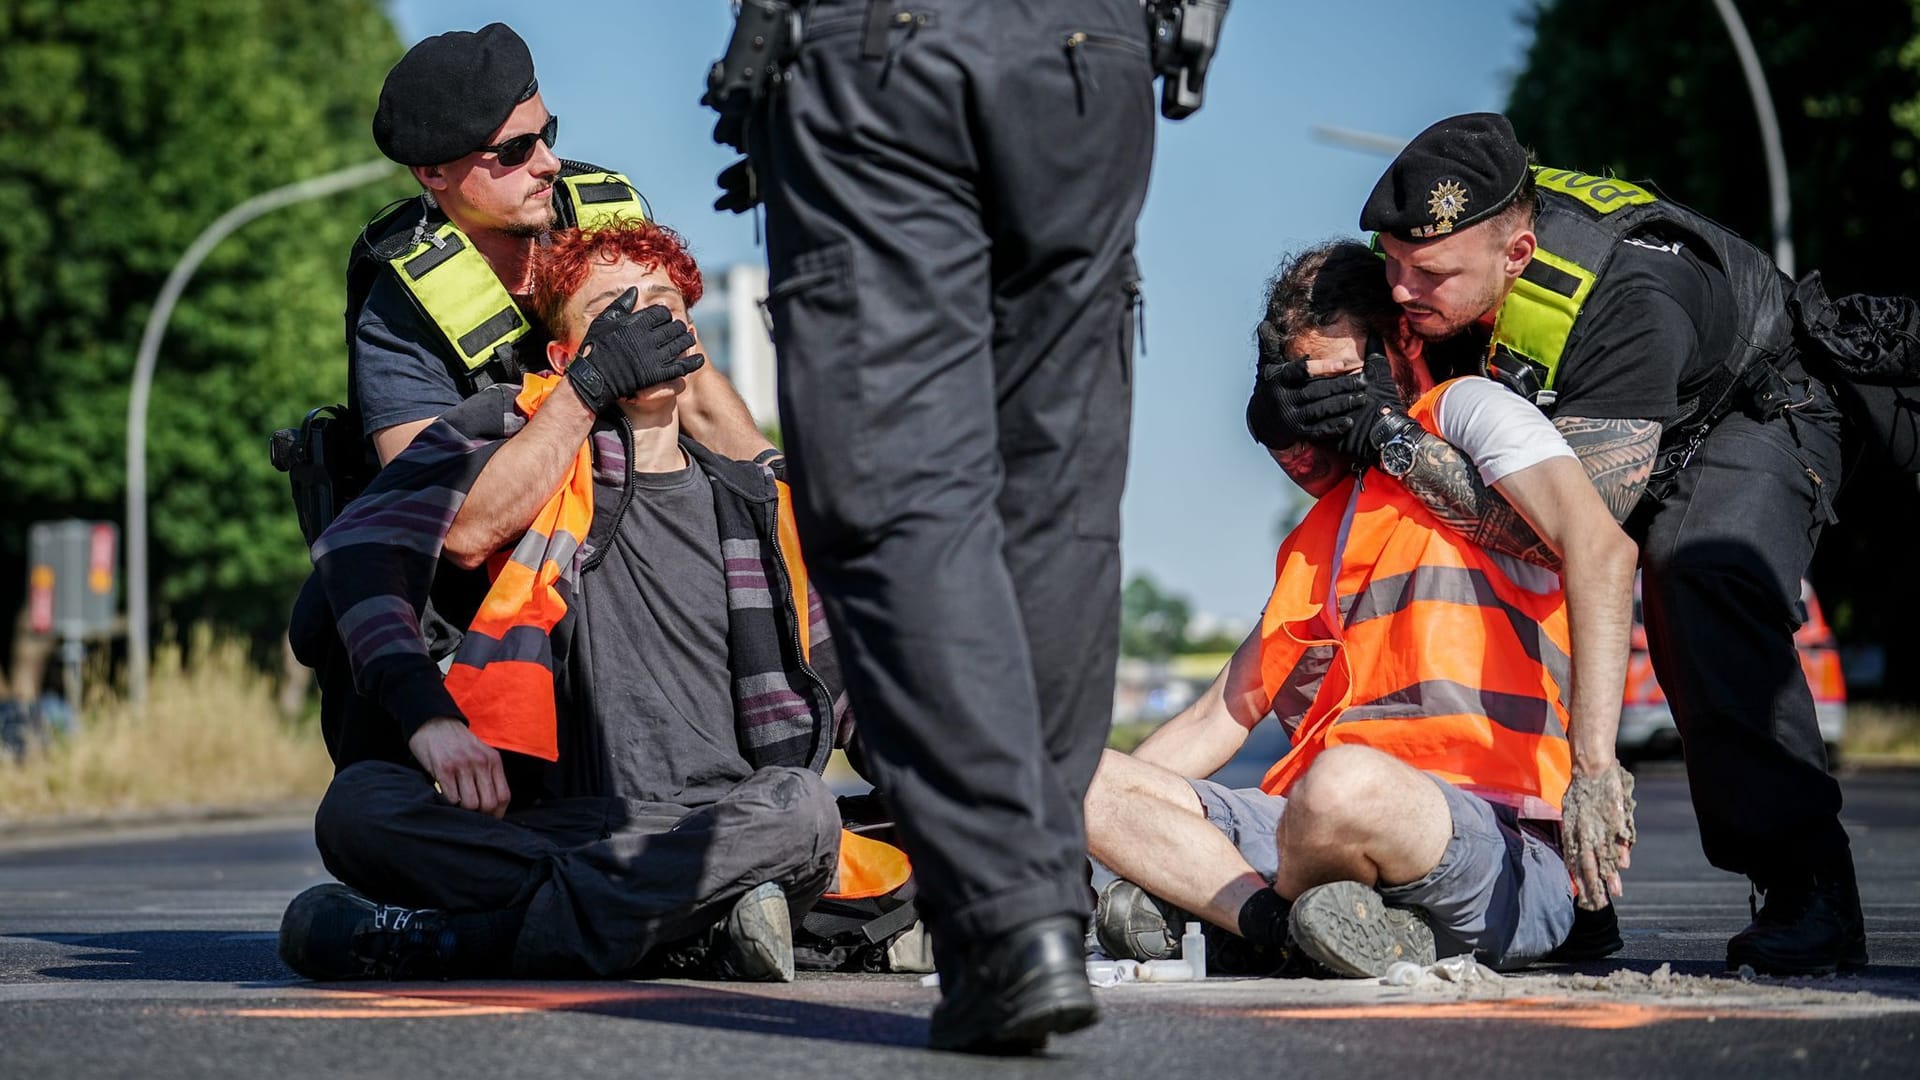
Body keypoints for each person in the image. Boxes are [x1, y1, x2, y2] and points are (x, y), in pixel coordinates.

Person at [1272, 112, 1867, 975]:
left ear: (1514, 257)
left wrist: (1391, 437)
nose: (1400, 291)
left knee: (1695, 574)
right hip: (1605, 426)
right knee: (1447, 542)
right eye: (1390, 263)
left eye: (1426, 273)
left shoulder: (1629, 299)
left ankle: (1807, 884)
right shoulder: (1452, 269)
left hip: (1745, 414)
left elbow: (1560, 538)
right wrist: (1289, 414)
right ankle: (1551, 880)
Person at [725, 0, 1160, 1053]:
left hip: (882, 52)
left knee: (896, 501)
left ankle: (1012, 921)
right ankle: (1028, 913)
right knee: (1055, 517)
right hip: (1095, 54)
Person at [278, 221, 848, 982]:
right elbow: (361, 553)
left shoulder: (753, 502)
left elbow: (855, 689)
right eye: (614, 309)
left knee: (806, 809)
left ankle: (469, 941)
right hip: (552, 823)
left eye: (665, 306)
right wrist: (428, 716)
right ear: (562, 353)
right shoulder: (525, 457)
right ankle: (690, 925)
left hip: (719, 825)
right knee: (360, 809)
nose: (644, 323)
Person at [1083, 241, 1639, 977]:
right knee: (1067, 774)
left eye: (1343, 377)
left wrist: (1595, 771)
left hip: (1496, 840)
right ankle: (1281, 927)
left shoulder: (1464, 410)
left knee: (1345, 785)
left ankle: (1233, 917)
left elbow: (1603, 550)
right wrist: (1098, 832)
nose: (1326, 408)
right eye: (1305, 385)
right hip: (1315, 836)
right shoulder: (1330, 527)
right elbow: (1213, 718)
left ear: (1400, 345)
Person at [356, 22, 772, 571]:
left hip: (648, 546)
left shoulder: (603, 216)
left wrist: (779, 482)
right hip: (498, 604)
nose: (548, 163)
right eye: (515, 150)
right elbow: (457, 531)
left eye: (546, 133)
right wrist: (590, 385)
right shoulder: (397, 313)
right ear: (433, 172)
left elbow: (694, 387)